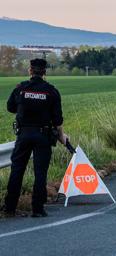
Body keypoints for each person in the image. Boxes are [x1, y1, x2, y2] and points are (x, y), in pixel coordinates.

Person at [2, 58, 68, 218]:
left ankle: (9, 208)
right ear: (45, 72)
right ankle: (38, 209)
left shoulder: (20, 88)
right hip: (42, 136)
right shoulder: (51, 91)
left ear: (30, 70)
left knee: (17, 170)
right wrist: (62, 137)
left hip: (23, 135)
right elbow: (58, 120)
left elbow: (10, 107)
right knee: (40, 172)